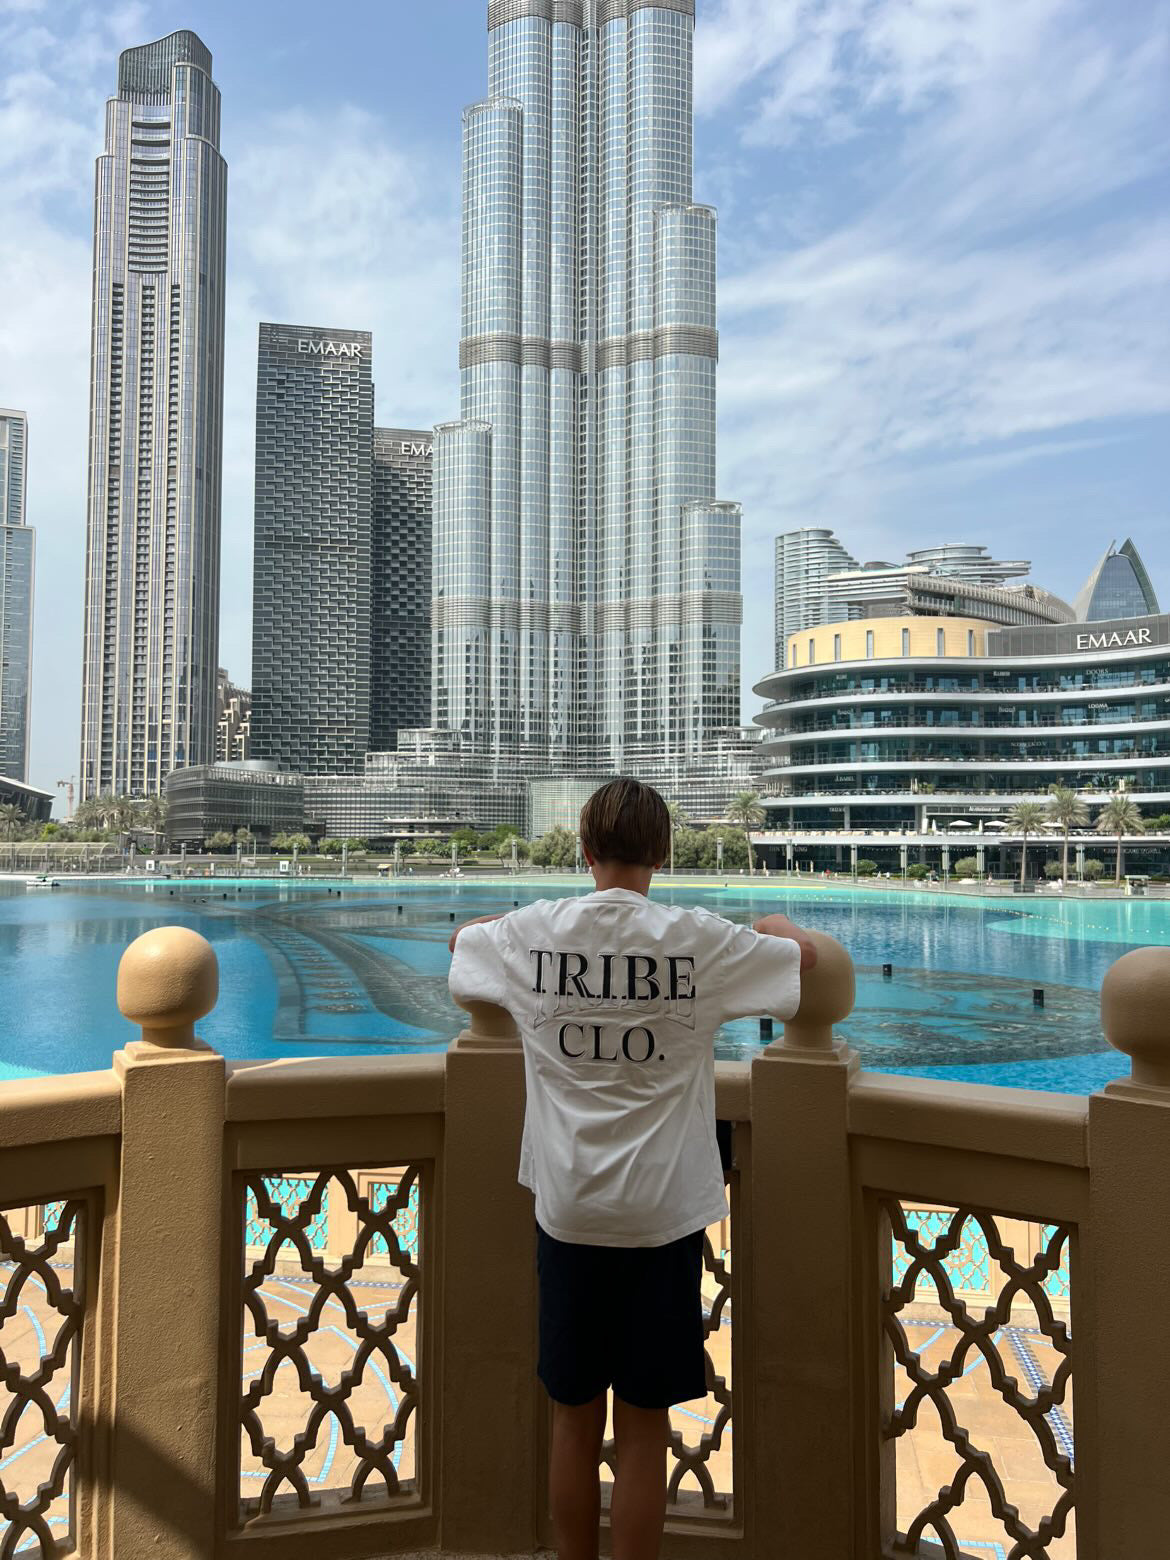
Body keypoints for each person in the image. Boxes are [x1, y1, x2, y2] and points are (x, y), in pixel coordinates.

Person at [448, 777, 817, 1560]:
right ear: (663, 853)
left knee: (572, 1419)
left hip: (569, 1211)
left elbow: (464, 946)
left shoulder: (533, 933)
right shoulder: (697, 939)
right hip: (662, 1216)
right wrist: (774, 923)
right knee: (645, 1428)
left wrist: (502, 924)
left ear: (584, 850)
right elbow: (805, 962)